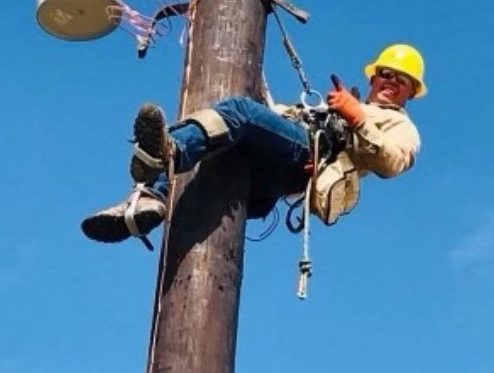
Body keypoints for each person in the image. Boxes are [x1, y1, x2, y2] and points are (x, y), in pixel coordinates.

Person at [81, 43, 427, 245]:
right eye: (386, 73)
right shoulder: (340, 104)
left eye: (403, 80)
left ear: (412, 91)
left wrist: (357, 118)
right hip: (276, 169)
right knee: (228, 131)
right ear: (373, 76)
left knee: (240, 112)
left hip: (302, 163)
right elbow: (280, 117)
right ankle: (149, 200)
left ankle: (169, 153)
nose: (392, 82)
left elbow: (391, 162)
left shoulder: (401, 126)